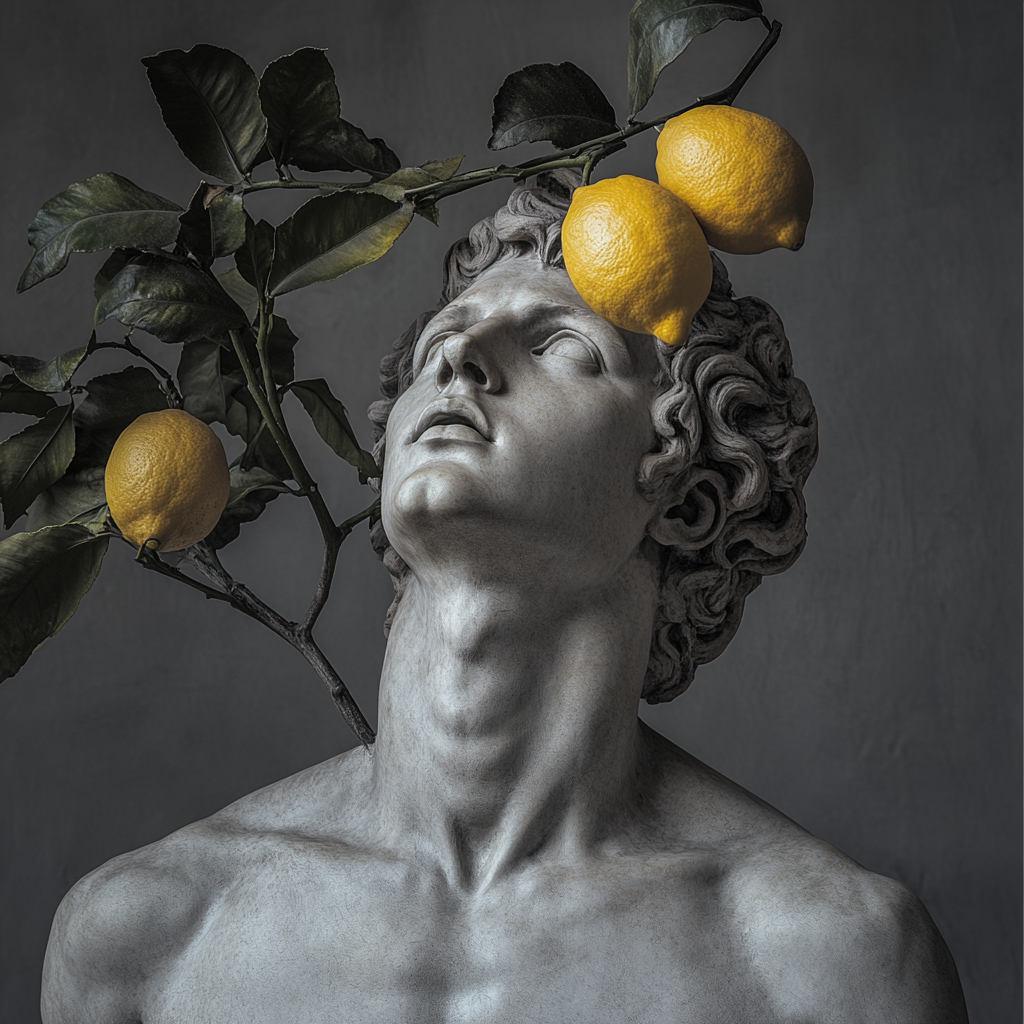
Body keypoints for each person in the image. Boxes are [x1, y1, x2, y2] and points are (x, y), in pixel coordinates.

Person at [41, 170, 968, 1023]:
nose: (462, 358)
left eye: (564, 343)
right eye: (444, 337)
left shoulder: (826, 968)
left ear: (684, 492)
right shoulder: (151, 939)